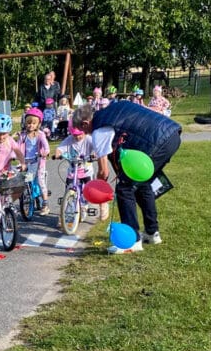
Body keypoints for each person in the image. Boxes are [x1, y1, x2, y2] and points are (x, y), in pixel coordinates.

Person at [71, 100, 181, 253]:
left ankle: (132, 241)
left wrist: (97, 188)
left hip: (157, 142)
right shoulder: (113, 108)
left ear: (85, 123)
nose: (86, 134)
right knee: (142, 184)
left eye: (83, 130)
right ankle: (151, 233)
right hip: (172, 134)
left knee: (124, 188)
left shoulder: (99, 129)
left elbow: (104, 172)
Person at [17, 107, 51, 214]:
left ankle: (45, 203)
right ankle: (25, 198)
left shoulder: (40, 135)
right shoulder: (23, 135)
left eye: (33, 123)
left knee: (40, 181)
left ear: (38, 124)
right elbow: (17, 148)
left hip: (38, 161)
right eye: (28, 123)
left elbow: (47, 148)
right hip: (26, 161)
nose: (30, 125)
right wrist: (13, 155)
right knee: (22, 180)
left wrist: (44, 153)